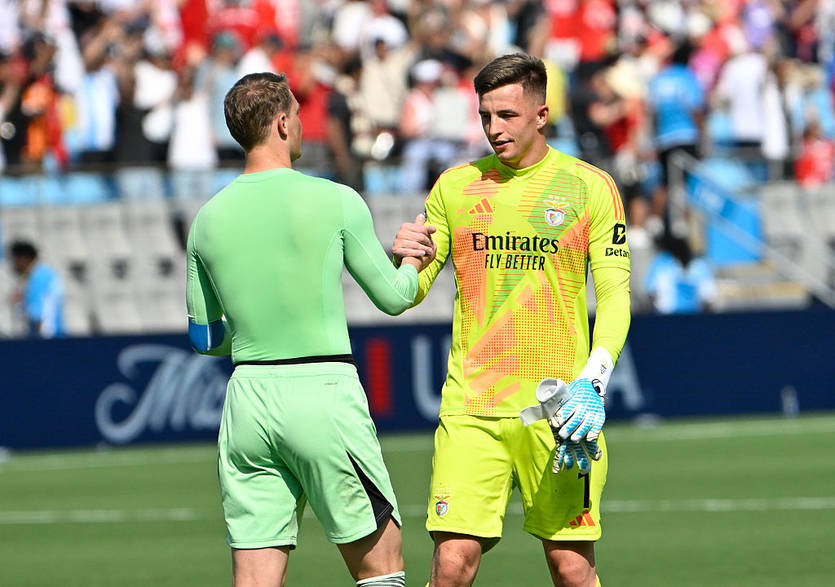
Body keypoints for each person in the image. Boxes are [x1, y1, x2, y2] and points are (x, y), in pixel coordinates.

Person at [185, 72, 436, 587]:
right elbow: (394, 297)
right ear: (282, 123)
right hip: (321, 392)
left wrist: (255, 335)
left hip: (247, 402)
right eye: (298, 115)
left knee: (255, 576)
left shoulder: (206, 219)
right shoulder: (336, 199)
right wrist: (413, 259)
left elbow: (205, 338)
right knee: (381, 563)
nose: (302, 125)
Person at [392, 53, 631, 587]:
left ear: (542, 114)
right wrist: (402, 260)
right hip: (472, 406)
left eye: (507, 115)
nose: (494, 129)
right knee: (451, 565)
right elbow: (406, 293)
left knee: (571, 568)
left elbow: (616, 296)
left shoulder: (590, 187)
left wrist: (594, 380)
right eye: (485, 116)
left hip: (560, 409)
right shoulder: (455, 187)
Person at [8, 240, 65, 338]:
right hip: (54, 335)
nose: (13, 264)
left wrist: (19, 304)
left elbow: (38, 315)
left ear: (24, 258)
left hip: (47, 337)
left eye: (15, 260)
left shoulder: (38, 277)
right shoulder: (44, 273)